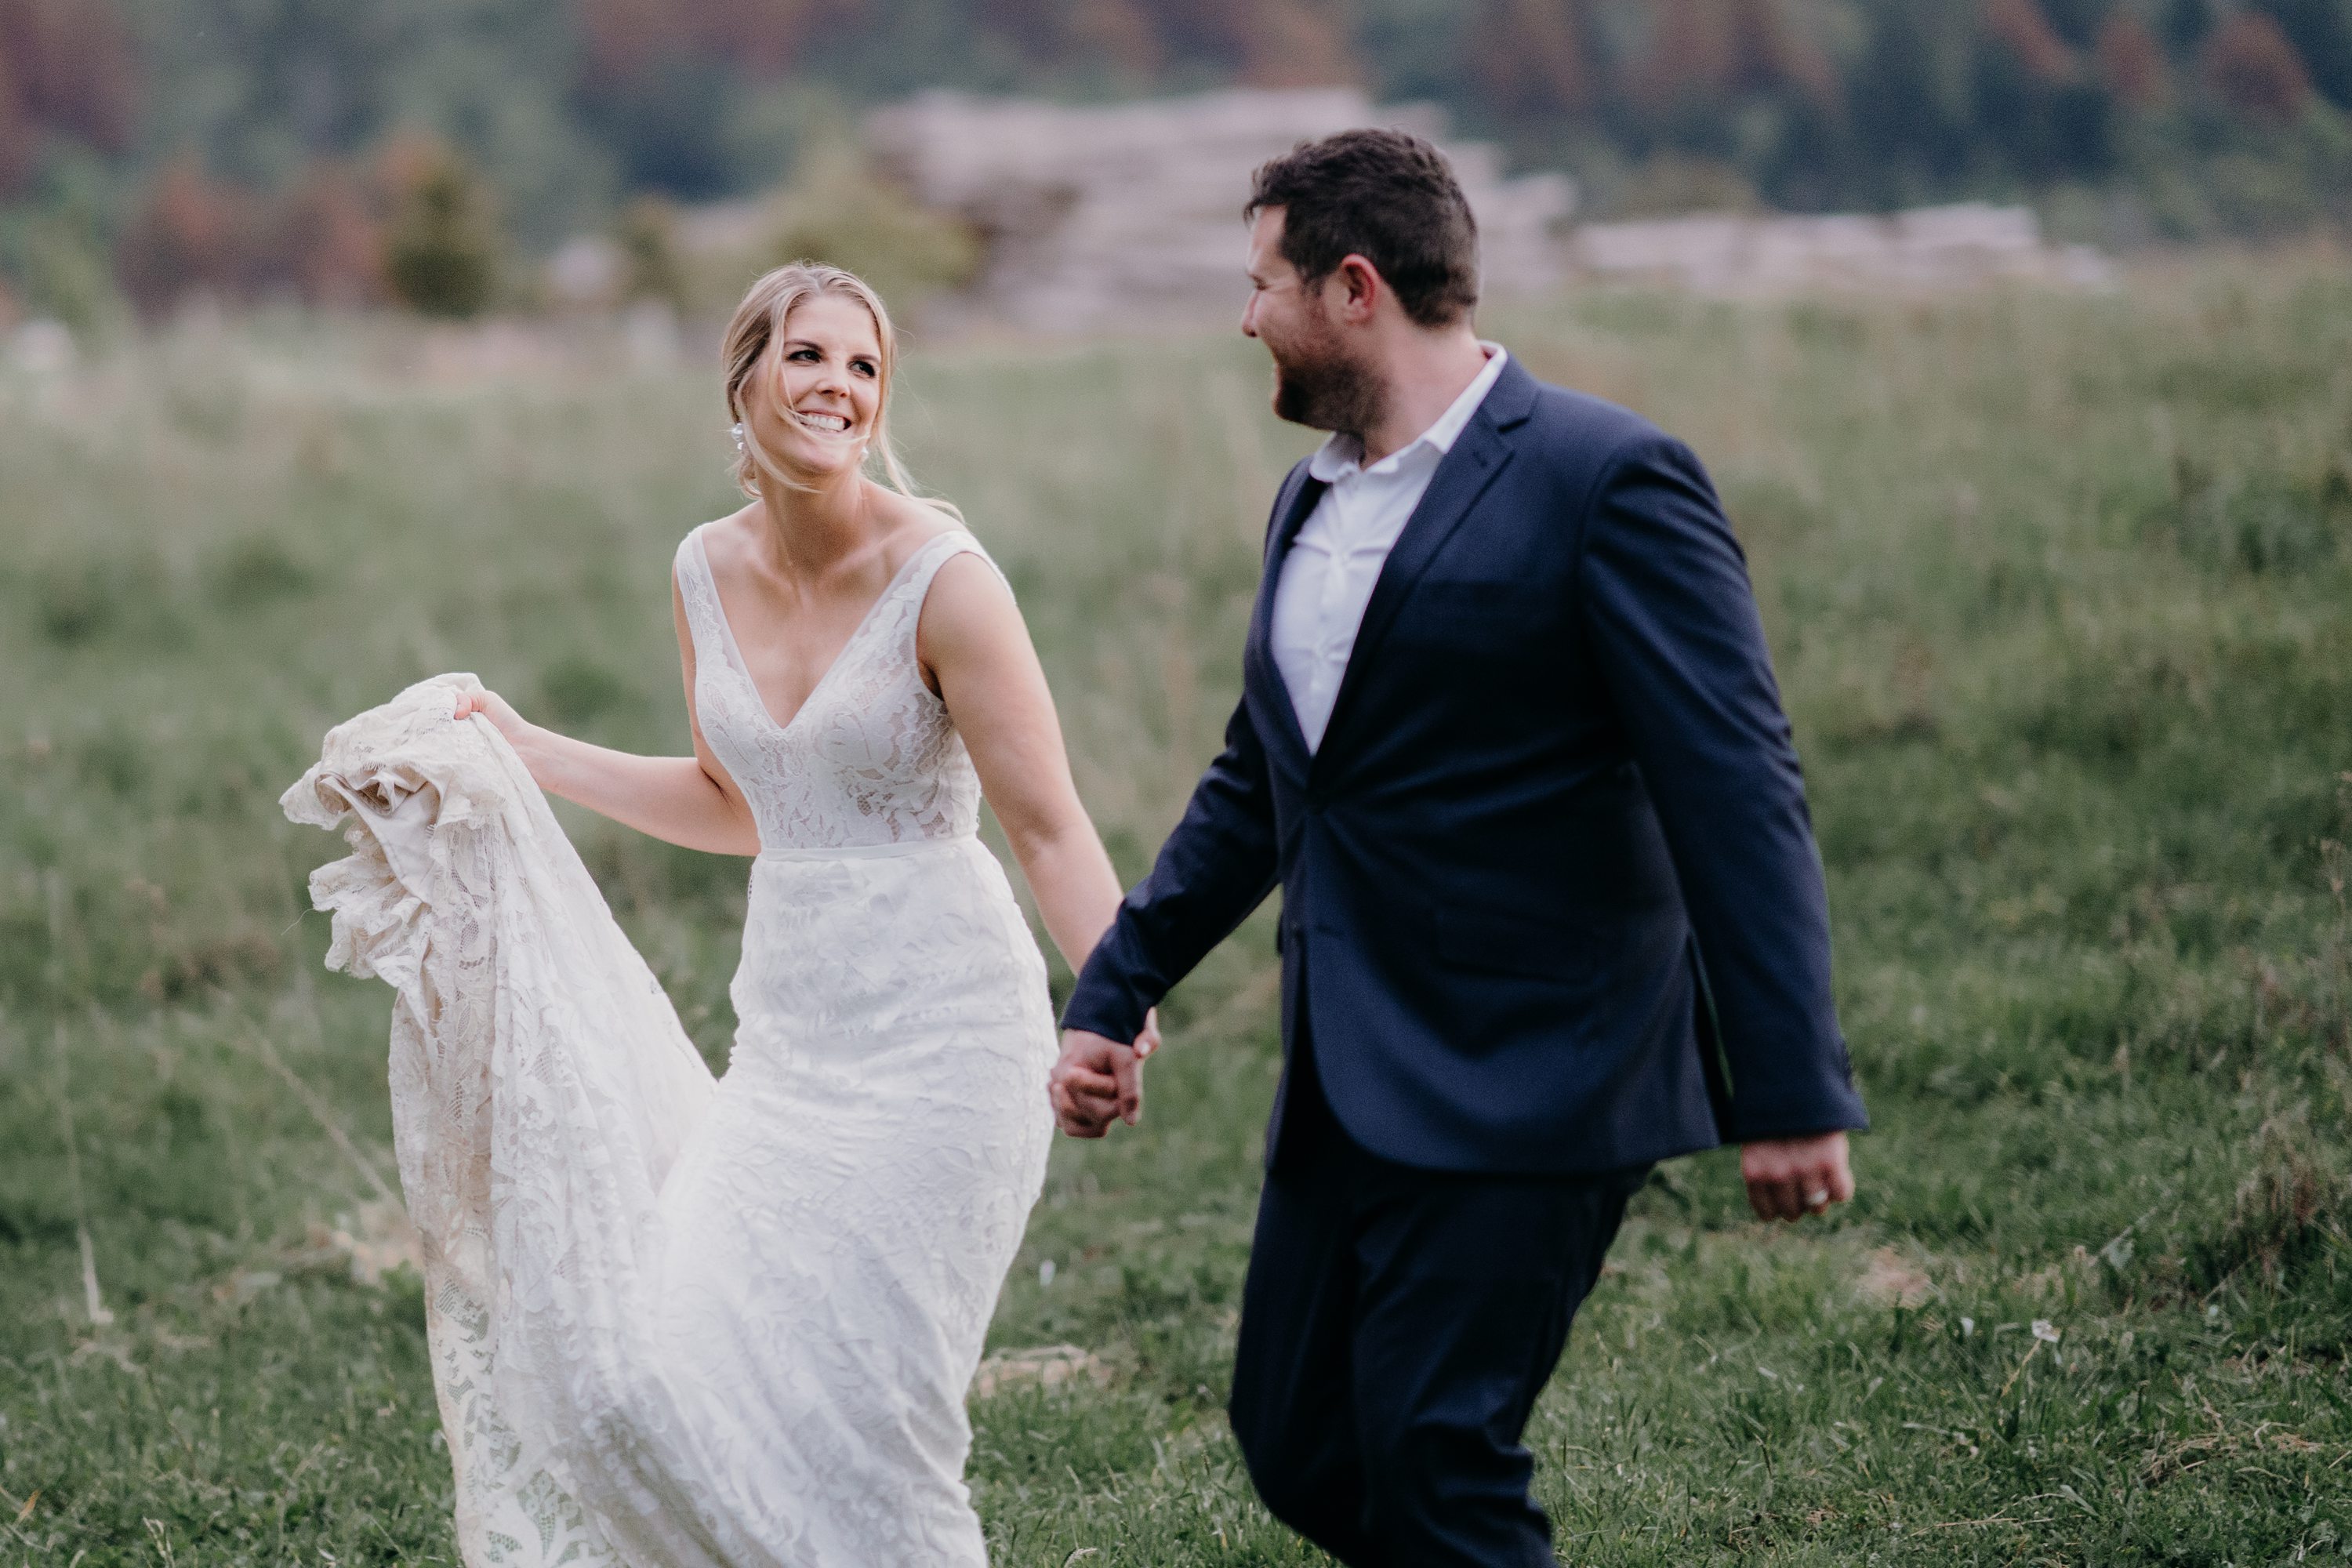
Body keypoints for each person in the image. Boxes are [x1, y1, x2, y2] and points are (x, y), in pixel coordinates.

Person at [1048, 129, 1868, 1566]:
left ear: (1353, 287)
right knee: (1298, 1439)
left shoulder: (1606, 480)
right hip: (1348, 1073)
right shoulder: (1307, 502)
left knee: (1435, 1444)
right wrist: (1117, 985)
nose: (1246, 318)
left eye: (1263, 285)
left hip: (1538, 1067)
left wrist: (1791, 1088)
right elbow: (1266, 780)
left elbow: (1736, 787)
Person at [292, 260, 1149, 1566]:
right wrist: (532, 751)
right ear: (743, 378)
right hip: (790, 1055)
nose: (839, 389)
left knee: (871, 1433)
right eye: (809, 356)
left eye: (865, 367)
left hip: (947, 1050)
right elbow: (739, 801)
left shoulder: (948, 583)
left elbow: (1048, 826)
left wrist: (1116, 997)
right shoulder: (704, 570)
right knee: (644, 1382)